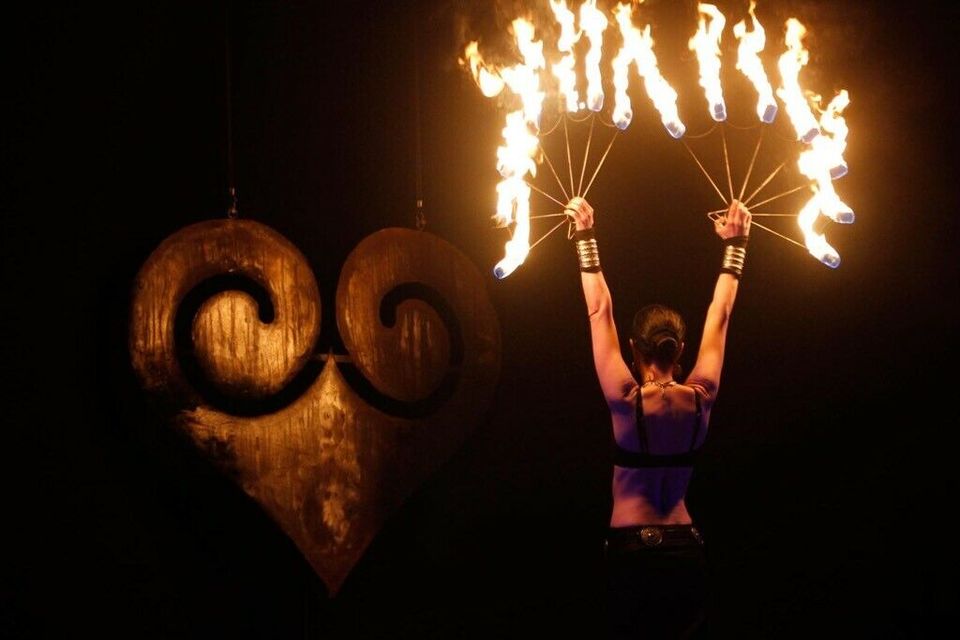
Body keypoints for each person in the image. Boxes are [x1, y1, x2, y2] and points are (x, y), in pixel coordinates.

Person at [566, 195, 751, 639]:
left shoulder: (627, 400)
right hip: (686, 546)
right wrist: (737, 243)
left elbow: (599, 311)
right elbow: (721, 315)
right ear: (681, 350)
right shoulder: (701, 396)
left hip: (633, 550)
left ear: (634, 349)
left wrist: (586, 237)